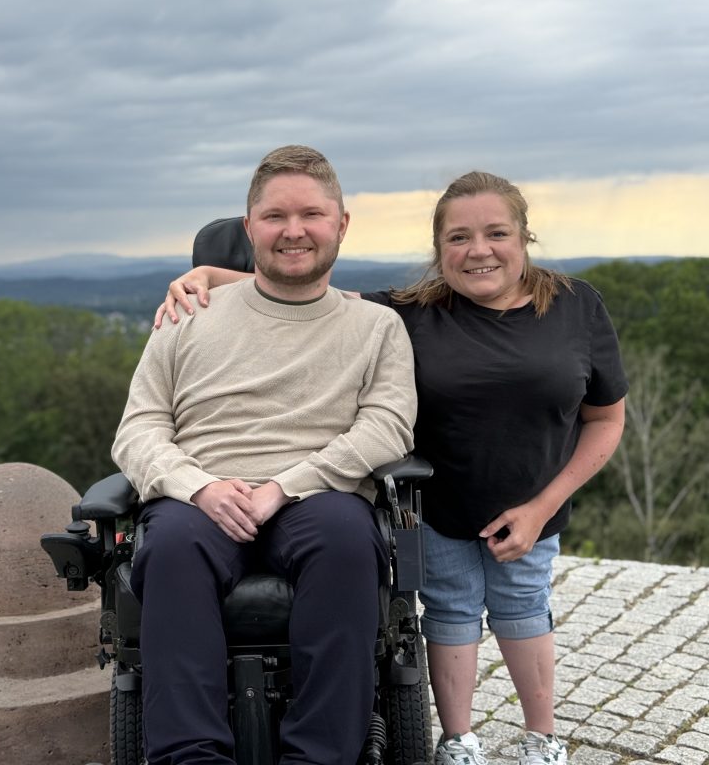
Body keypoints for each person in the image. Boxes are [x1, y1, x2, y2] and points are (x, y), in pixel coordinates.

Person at [154, 170, 628, 765]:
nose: (477, 250)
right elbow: (302, 290)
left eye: (495, 233)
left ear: (524, 237)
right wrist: (210, 278)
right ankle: (457, 741)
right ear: (438, 250)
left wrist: (544, 506)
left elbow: (606, 419)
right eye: (457, 238)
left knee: (523, 604)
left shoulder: (576, 305)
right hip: (441, 499)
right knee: (452, 607)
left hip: (532, 497)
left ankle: (541, 737)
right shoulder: (410, 312)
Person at [112, 145, 417, 765]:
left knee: (346, 540)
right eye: (275, 216)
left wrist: (287, 484)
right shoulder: (187, 315)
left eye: (312, 215)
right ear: (249, 226)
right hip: (202, 495)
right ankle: (191, 757)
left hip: (317, 496)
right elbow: (137, 428)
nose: (294, 231)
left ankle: (319, 757)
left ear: (341, 225)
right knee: (170, 546)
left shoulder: (377, 328)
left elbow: (388, 426)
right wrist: (195, 486)